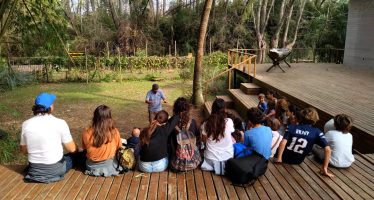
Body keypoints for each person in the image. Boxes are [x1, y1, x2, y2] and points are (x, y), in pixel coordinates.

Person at [20, 93, 78, 183]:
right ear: (50, 107)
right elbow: (72, 149)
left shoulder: (26, 124)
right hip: (55, 169)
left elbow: (23, 151)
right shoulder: (60, 123)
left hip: (34, 170)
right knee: (73, 157)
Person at [274, 107, 334, 178]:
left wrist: (279, 158)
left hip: (284, 158)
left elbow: (283, 142)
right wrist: (324, 168)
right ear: (315, 119)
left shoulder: (291, 127)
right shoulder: (317, 132)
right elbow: (328, 149)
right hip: (297, 161)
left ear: (301, 117)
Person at [82, 105, 123, 177]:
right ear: (109, 117)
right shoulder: (114, 131)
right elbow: (119, 147)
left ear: (95, 117)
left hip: (91, 166)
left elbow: (84, 148)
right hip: (110, 166)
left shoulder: (86, 131)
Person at [201, 98, 234, 175]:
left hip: (210, 158)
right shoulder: (229, 121)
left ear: (213, 109)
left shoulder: (206, 124)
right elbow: (231, 133)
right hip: (228, 158)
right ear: (224, 109)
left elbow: (204, 140)